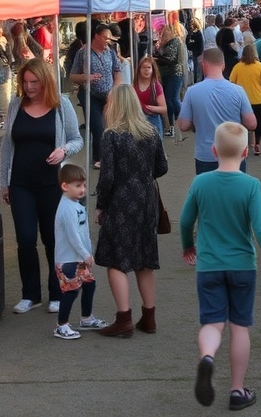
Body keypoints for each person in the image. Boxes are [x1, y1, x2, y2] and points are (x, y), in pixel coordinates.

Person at [180, 122, 261, 410]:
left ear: (213, 151)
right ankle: (237, 391)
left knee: (212, 323)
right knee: (240, 327)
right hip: (242, 265)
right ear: (245, 152)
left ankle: (207, 357)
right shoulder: (251, 186)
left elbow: (185, 220)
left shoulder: (201, 183)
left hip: (209, 265)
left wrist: (187, 245)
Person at [0, 58, 84, 315]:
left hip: (52, 183)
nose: (29, 87)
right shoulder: (16, 105)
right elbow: (6, 147)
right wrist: (4, 182)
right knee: (25, 239)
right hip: (21, 182)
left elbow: (76, 139)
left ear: (44, 80)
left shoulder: (61, 105)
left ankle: (57, 292)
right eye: (25, 82)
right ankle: (30, 294)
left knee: (52, 238)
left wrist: (63, 150)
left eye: (34, 82)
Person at [95, 84, 169, 338]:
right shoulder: (150, 132)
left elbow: (107, 177)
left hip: (121, 199)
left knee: (116, 259)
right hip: (147, 198)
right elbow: (162, 167)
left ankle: (123, 317)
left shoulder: (111, 136)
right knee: (145, 258)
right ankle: (149, 316)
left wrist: (101, 205)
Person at [177, 48, 257, 175]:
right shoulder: (238, 91)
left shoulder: (192, 92)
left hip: (205, 155)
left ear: (203, 64)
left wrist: (195, 123)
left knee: (208, 193)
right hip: (234, 153)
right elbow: (252, 123)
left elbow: (183, 125)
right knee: (235, 193)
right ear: (223, 65)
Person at [52, 164, 108, 339]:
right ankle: (61, 325)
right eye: (78, 186)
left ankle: (86, 318)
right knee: (70, 291)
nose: (82, 189)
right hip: (69, 259)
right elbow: (73, 236)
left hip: (79, 258)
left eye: (83, 185)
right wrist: (85, 254)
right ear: (65, 186)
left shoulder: (75, 204)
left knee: (89, 285)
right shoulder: (67, 209)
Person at [70, 23, 122, 166]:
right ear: (96, 36)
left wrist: (115, 90)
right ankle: (99, 158)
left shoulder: (110, 52)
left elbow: (117, 71)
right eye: (105, 38)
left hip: (109, 95)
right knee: (97, 126)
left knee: (112, 126)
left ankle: (111, 155)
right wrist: (86, 77)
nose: (108, 41)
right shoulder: (83, 53)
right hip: (90, 95)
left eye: (110, 38)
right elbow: (73, 76)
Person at [230, 44, 261, 156]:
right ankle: (257, 144)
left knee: (242, 125)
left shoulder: (237, 67)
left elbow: (232, 82)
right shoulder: (259, 66)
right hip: (258, 99)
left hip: (242, 101)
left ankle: (244, 146)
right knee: (259, 124)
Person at [152, 19, 185, 138]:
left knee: (171, 99)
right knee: (171, 99)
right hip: (168, 74)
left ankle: (176, 122)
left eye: (163, 32)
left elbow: (170, 60)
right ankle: (179, 120)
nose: (161, 34)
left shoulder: (174, 42)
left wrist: (155, 59)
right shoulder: (169, 42)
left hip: (174, 74)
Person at [133, 55, 168, 138]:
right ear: (139, 70)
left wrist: (147, 108)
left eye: (149, 67)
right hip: (138, 121)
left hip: (153, 120)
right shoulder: (134, 86)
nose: (146, 70)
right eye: (144, 67)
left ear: (153, 70)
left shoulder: (156, 86)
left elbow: (163, 109)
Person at [186, 18, 205, 84]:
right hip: (199, 53)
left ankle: (196, 82)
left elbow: (190, 44)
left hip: (196, 54)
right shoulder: (199, 33)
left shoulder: (195, 34)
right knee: (197, 70)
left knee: (196, 70)